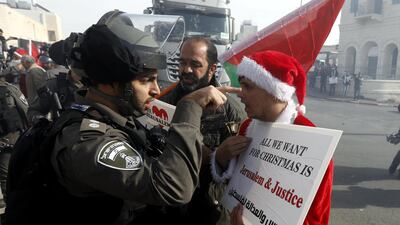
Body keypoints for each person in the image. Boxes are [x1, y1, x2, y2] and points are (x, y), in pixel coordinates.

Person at [5, 10, 238, 225]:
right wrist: (188, 109)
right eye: (146, 80)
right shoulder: (86, 141)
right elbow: (174, 188)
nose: (157, 90)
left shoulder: (119, 118)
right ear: (109, 84)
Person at [214, 50, 333, 225]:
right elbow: (235, 185)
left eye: (248, 86)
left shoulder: (311, 139)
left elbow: (316, 217)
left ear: (274, 91)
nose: (240, 93)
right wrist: (221, 158)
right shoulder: (247, 126)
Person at [157, 36, 247, 225]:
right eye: (182, 63)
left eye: (195, 64)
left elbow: (240, 172)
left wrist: (216, 158)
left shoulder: (229, 111)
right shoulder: (164, 104)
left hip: (209, 212)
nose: (186, 70)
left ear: (212, 69)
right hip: (166, 208)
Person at [0, 77, 28, 208]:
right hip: (8, 137)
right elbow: (25, 109)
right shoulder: (9, 89)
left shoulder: (8, 89)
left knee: (8, 172)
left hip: (9, 136)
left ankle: (12, 205)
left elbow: (25, 109)